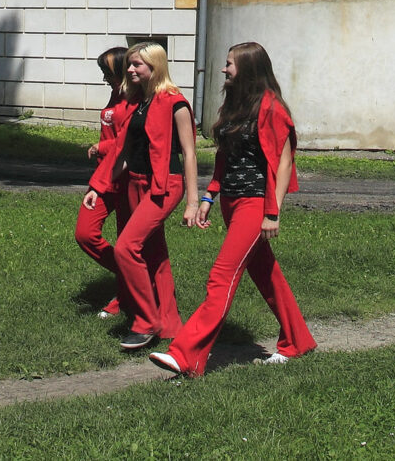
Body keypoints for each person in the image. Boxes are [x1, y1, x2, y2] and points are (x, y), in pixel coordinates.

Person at [152, 42, 316, 378]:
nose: (224, 69)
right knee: (266, 275)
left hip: (256, 205)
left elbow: (283, 164)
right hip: (231, 202)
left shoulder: (272, 108)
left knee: (221, 277)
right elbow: (225, 158)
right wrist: (210, 197)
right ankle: (298, 341)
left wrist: (273, 211)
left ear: (249, 67)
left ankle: (187, 355)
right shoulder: (235, 104)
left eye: (230, 64)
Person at [108, 41, 199, 351]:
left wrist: (192, 202)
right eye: (130, 65)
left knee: (126, 247)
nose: (130, 69)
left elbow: (189, 154)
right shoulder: (139, 101)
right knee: (154, 254)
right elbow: (125, 151)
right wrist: (100, 187)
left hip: (164, 185)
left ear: (155, 67)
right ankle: (171, 325)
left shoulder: (176, 102)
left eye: (138, 65)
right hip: (136, 181)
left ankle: (146, 322)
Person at [74, 46, 147, 317]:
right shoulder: (116, 92)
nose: (105, 77)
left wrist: (101, 147)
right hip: (104, 176)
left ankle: (126, 295)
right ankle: (134, 277)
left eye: (108, 71)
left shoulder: (138, 97)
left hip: (126, 176)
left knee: (127, 238)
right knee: (85, 233)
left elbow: (130, 139)